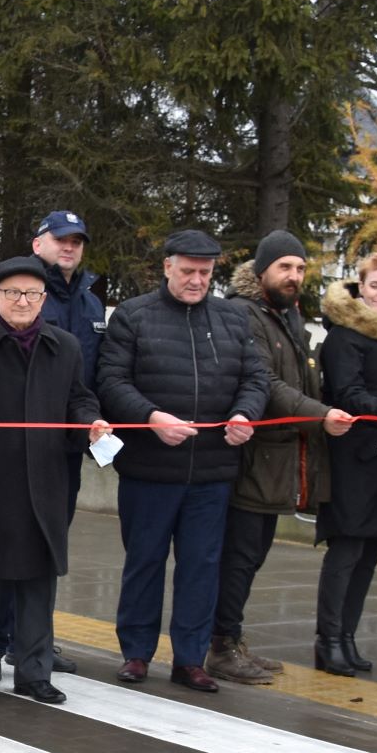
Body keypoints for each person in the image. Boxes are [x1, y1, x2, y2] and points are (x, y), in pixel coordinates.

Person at [94, 228, 267, 693]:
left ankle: (191, 659)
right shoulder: (133, 315)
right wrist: (151, 418)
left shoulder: (232, 318)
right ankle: (136, 653)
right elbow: (111, 381)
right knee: (144, 562)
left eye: (205, 273)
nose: (196, 280)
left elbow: (255, 378)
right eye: (187, 271)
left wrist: (244, 414)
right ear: (166, 267)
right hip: (150, 469)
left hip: (211, 471)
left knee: (201, 566)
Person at [0, 257, 110, 701]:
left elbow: (78, 400)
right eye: (12, 293)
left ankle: (35, 671)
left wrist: (91, 424)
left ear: (44, 300)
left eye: (32, 293)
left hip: (46, 480)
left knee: (38, 579)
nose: (23, 301)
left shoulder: (64, 347)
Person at [210, 231, 355, 682]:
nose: (294, 276)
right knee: (238, 557)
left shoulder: (287, 317)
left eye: (300, 268)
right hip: (251, 461)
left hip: (279, 462)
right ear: (261, 271)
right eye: (284, 267)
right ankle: (219, 646)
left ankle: (231, 639)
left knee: (251, 557)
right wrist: (321, 415)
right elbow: (266, 386)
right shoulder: (243, 313)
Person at [0, 209, 102, 676]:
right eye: (60, 239)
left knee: (47, 547)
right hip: (12, 449)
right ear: (38, 243)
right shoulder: (16, 289)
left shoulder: (90, 303)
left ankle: (34, 641)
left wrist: (92, 423)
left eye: (77, 241)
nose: (69, 248)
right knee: (7, 545)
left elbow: (89, 376)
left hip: (62, 448)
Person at [311, 251, 377, 676]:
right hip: (354, 458)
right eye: (375, 285)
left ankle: (347, 639)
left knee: (369, 554)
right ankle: (328, 639)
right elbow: (348, 392)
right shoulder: (344, 335)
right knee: (346, 551)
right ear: (361, 285)